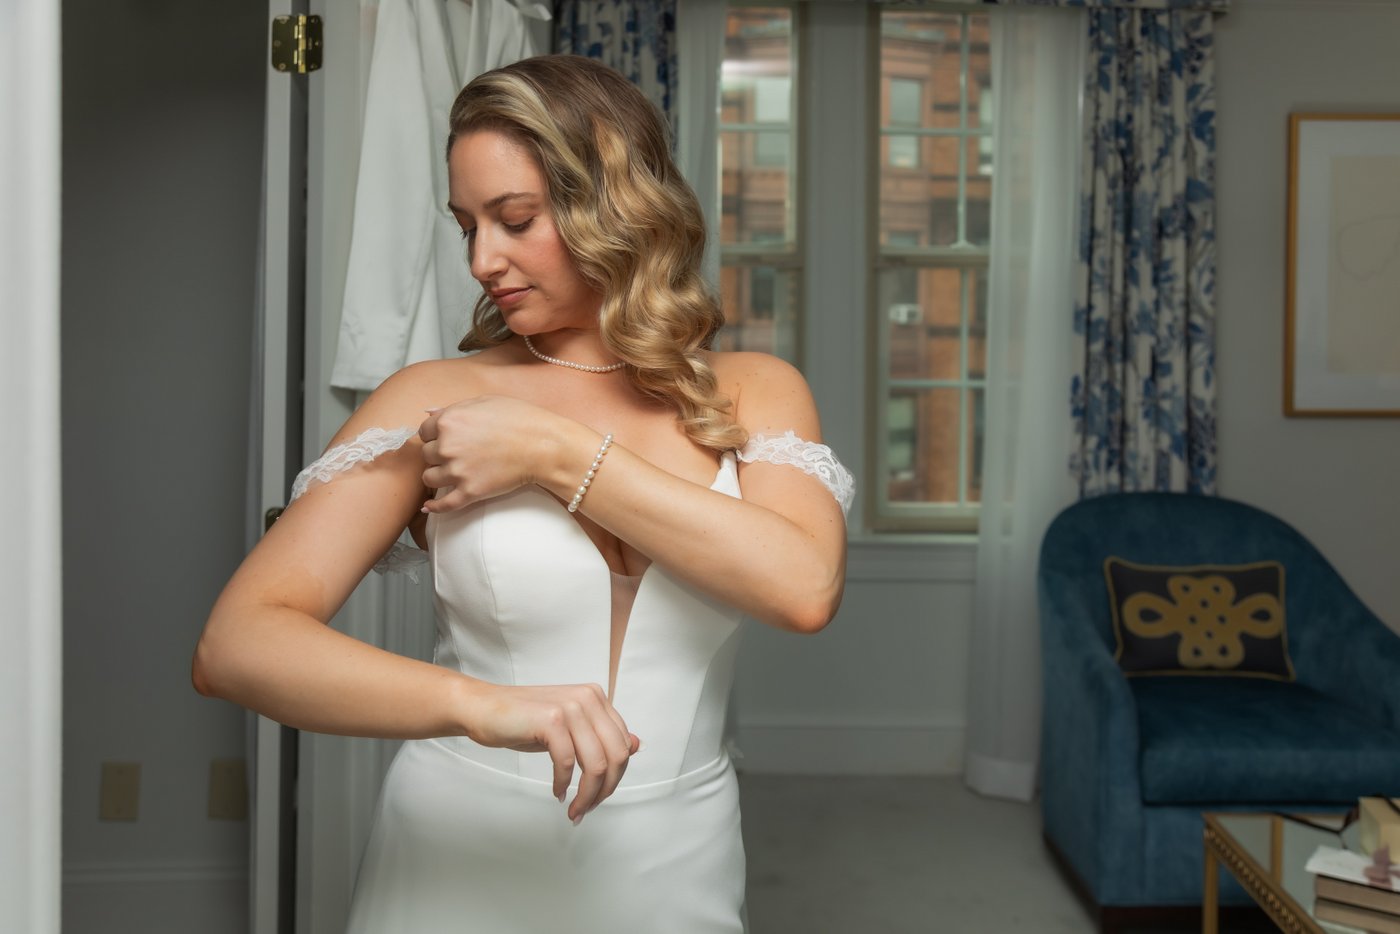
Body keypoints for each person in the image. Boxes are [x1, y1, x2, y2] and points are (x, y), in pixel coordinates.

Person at [193, 55, 852, 933]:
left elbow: (803, 590)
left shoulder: (753, 390)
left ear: (612, 201)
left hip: (678, 863)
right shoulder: (428, 397)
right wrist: (486, 707)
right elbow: (236, 644)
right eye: (466, 225)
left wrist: (552, 448)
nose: (480, 259)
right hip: (458, 855)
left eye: (514, 219)